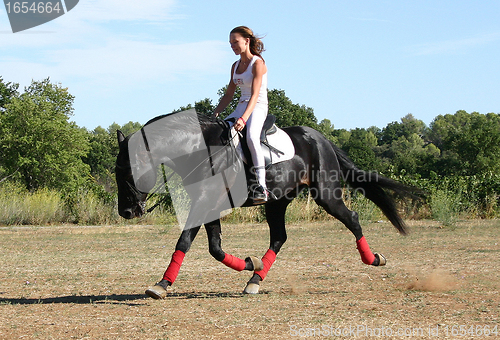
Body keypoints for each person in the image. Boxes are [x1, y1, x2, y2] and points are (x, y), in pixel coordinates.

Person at [212, 26, 269, 202]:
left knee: (251, 137)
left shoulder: (258, 64)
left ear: (247, 41)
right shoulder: (235, 66)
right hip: (241, 105)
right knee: (220, 134)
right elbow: (229, 94)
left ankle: (261, 186)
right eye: (230, 43)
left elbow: (254, 95)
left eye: (235, 42)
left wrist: (244, 119)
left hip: (257, 106)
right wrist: (215, 113)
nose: (232, 46)